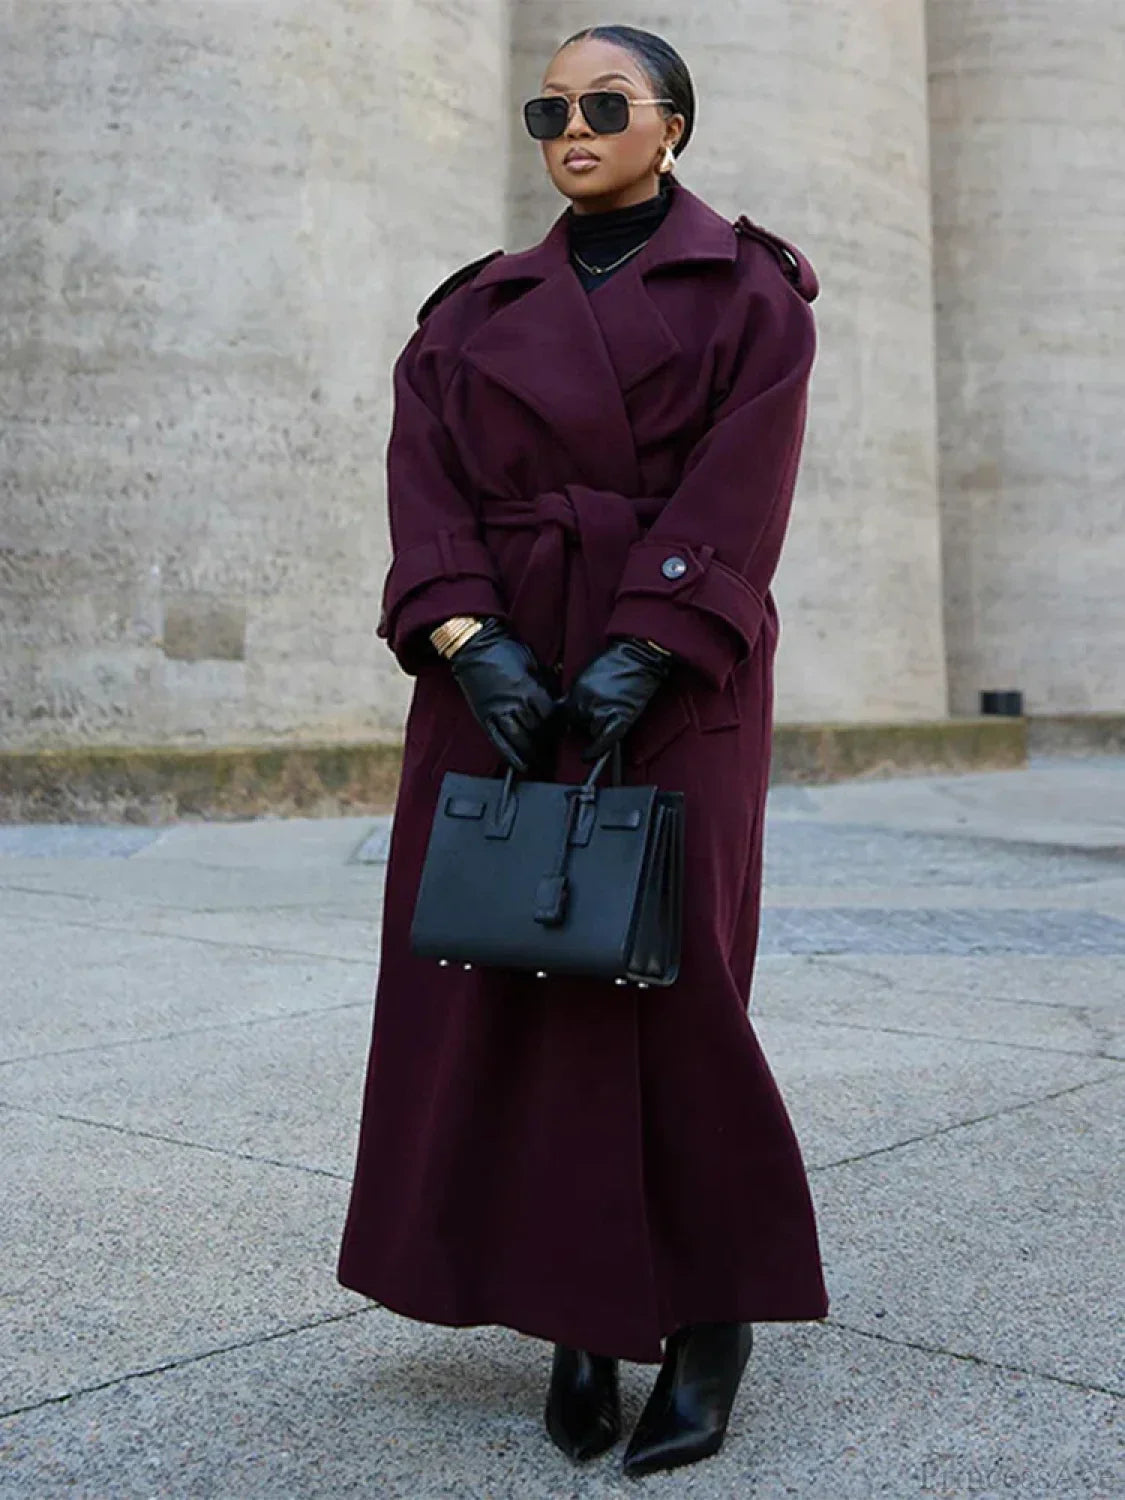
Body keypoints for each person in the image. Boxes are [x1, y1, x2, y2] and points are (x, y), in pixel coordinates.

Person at [337, 22, 828, 1478]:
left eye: (603, 104)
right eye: (548, 104)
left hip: (668, 684)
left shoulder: (750, 294)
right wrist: (463, 639)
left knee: (672, 995)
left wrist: (646, 645)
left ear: (671, 125)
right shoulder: (474, 307)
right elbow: (418, 474)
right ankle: (572, 1316)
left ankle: (710, 1322)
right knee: (508, 986)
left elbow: (746, 482)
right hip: (490, 687)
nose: (570, 124)